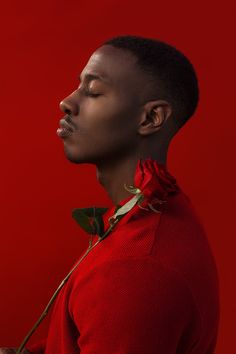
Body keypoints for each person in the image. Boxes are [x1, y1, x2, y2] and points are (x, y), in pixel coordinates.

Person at [1, 35, 220, 353]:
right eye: (79, 87)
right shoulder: (149, 214)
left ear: (150, 118)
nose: (67, 102)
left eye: (93, 91)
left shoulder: (135, 268)